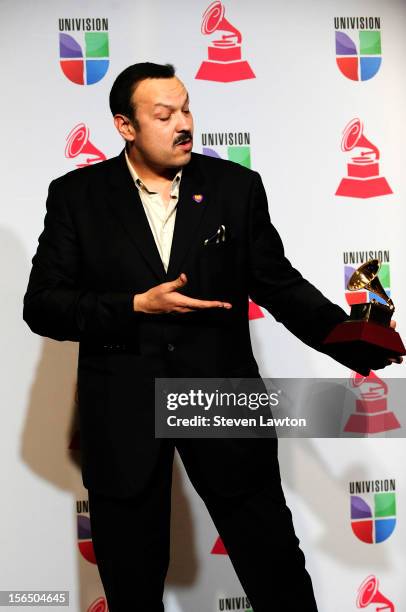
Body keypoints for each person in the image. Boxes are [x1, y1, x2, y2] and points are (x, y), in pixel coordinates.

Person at [23, 63, 402, 611]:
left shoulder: (234, 188)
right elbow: (42, 306)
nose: (183, 124)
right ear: (125, 126)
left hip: (219, 399)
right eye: (164, 114)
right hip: (124, 410)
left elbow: (280, 285)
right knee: (132, 584)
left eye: (187, 109)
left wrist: (356, 340)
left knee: (275, 570)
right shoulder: (76, 196)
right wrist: (134, 305)